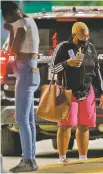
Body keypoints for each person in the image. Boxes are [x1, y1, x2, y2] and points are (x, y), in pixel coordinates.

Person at [50, 22, 103, 163]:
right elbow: (53, 69)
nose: (85, 39)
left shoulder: (91, 48)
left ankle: (83, 157)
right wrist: (66, 63)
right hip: (66, 90)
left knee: (84, 125)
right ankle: (62, 157)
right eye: (82, 36)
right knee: (65, 125)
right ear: (74, 35)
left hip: (87, 91)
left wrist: (101, 91)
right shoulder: (63, 47)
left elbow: (96, 70)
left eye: (87, 36)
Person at [2, 1, 40, 173]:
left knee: (21, 118)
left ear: (10, 14)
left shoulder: (20, 25)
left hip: (24, 72)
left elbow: (13, 49)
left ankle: (28, 160)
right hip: (32, 70)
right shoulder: (30, 20)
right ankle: (31, 158)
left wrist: (10, 31)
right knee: (29, 119)